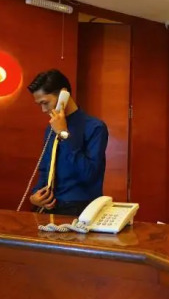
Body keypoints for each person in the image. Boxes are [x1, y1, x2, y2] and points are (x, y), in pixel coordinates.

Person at [27, 69, 109, 216]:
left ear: (63, 94)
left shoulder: (95, 127)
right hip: (49, 208)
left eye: (45, 103)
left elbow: (89, 175)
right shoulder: (51, 128)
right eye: (39, 105)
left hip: (80, 209)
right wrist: (35, 195)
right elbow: (45, 169)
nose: (43, 110)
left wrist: (64, 134)